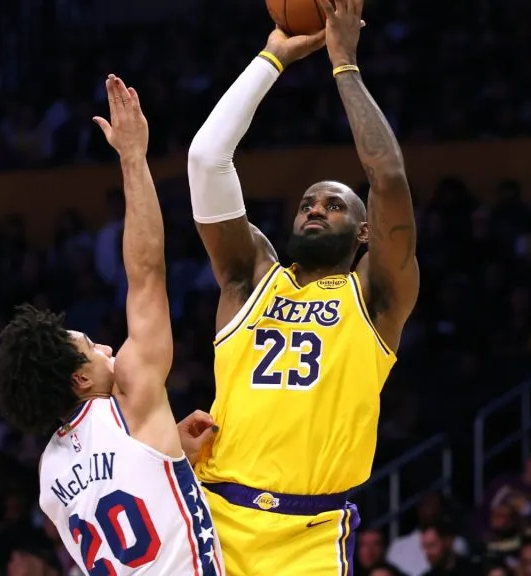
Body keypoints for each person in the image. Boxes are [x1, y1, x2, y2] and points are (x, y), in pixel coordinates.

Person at [185, 0, 420, 573]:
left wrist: (344, 64)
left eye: (333, 204)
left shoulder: (376, 297)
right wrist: (272, 58)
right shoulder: (249, 278)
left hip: (310, 537)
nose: (315, 209)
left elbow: (387, 176)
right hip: (213, 518)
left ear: (365, 232)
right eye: (308, 202)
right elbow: (206, 158)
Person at [0, 75, 221, 575]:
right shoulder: (131, 397)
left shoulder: (49, 476)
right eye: (91, 346)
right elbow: (145, 274)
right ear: (80, 379)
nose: (108, 347)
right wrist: (133, 158)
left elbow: (125, 493)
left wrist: (171, 453)